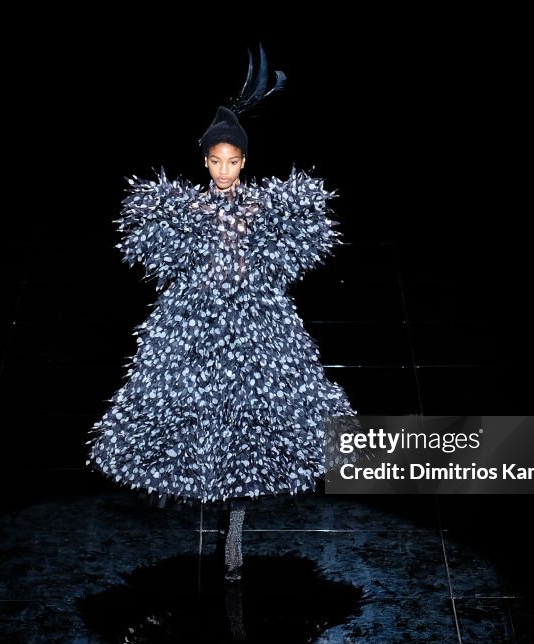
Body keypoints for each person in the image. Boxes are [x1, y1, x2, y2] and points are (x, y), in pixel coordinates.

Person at [86, 46, 357, 581]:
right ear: (204, 161)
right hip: (195, 322)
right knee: (203, 416)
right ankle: (221, 520)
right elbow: (163, 250)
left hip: (256, 322)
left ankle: (234, 535)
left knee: (254, 417)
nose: (225, 169)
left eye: (234, 161)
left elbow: (289, 248)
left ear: (245, 162)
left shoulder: (260, 207)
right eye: (217, 161)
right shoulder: (188, 209)